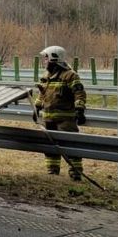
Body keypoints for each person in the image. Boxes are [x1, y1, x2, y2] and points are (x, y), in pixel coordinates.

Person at [34, 45, 87, 180]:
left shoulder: (70, 75)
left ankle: (75, 173)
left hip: (65, 120)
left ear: (54, 58)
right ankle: (52, 172)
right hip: (48, 119)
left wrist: (80, 110)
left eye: (46, 58)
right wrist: (37, 107)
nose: (44, 61)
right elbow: (42, 93)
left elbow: (79, 93)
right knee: (50, 148)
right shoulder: (46, 76)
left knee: (70, 146)